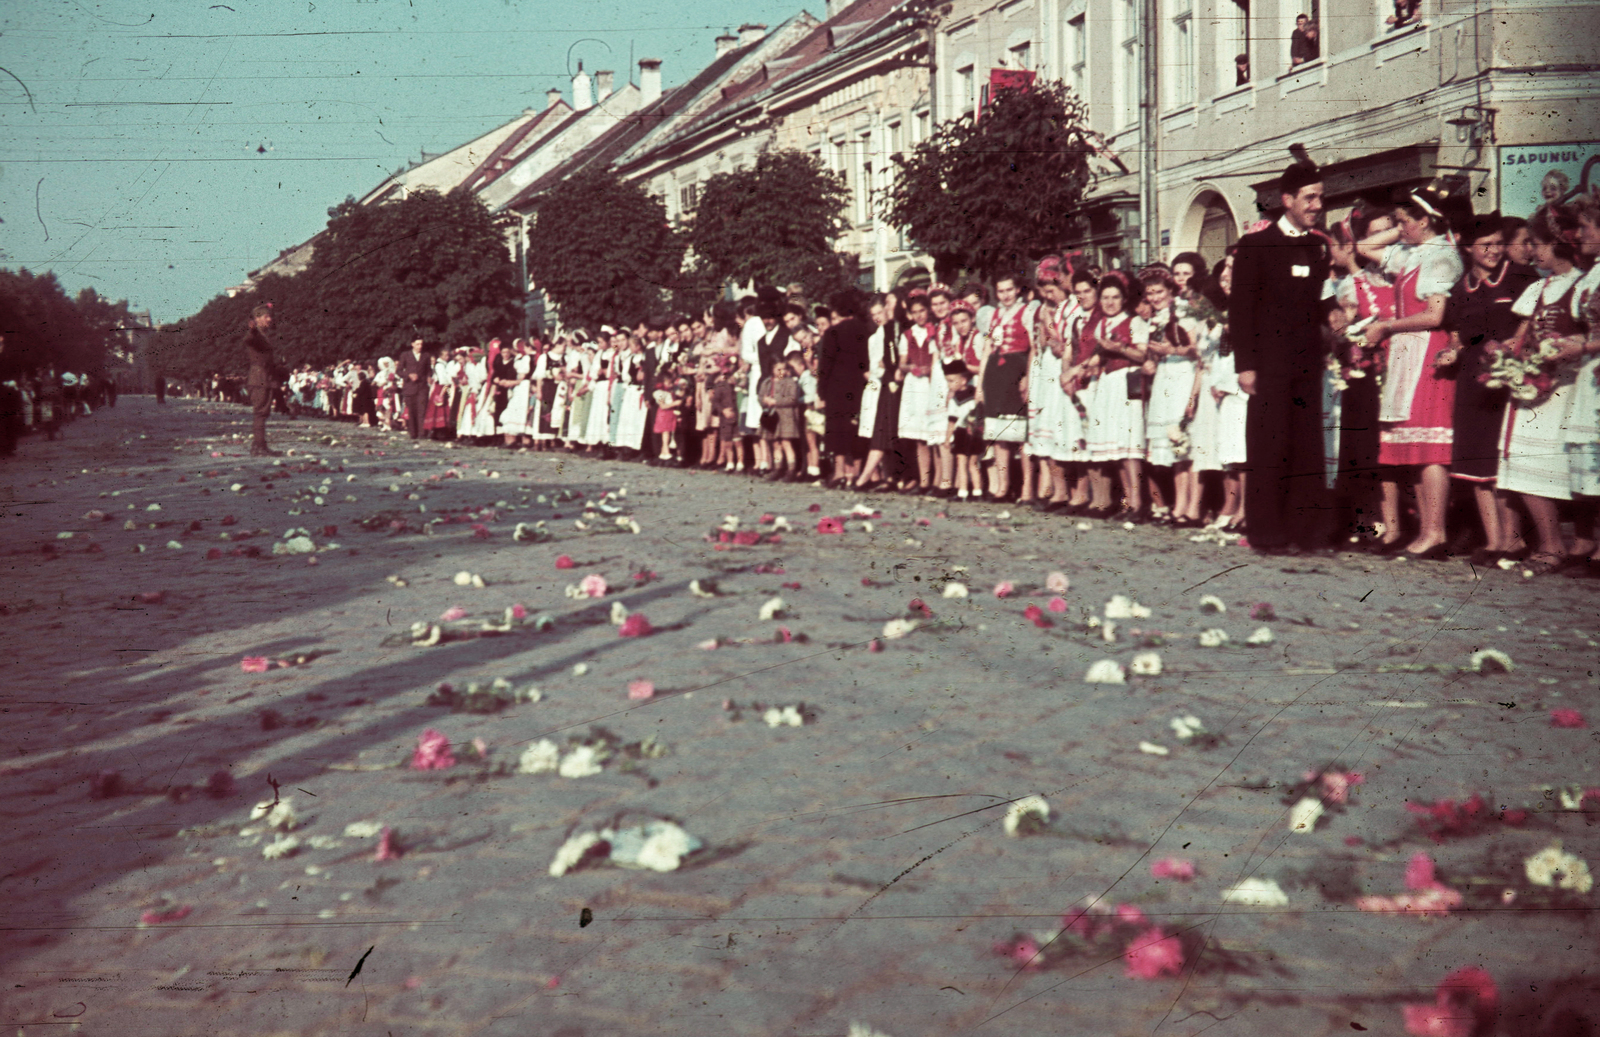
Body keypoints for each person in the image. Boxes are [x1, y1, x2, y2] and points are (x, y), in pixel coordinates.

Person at [1230, 162, 1332, 554]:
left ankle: (1304, 533)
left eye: (1320, 197)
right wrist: (1245, 366)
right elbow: (1241, 310)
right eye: (1310, 197)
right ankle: (1267, 533)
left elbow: (1322, 301)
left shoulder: (1317, 246)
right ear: (1288, 200)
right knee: (1270, 447)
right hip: (1268, 366)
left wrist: (1338, 317)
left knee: (1306, 447)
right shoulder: (1256, 245)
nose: (1317, 205)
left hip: (1307, 365)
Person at [1361, 183, 1466, 560]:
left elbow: (1435, 315)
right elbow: (1365, 247)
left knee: (1430, 447)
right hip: (1408, 352)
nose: (1399, 227)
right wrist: (1404, 224)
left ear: (1425, 221)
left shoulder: (1441, 256)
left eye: (1405, 220)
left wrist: (1387, 326)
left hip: (1428, 352)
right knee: (1414, 445)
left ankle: (1436, 531)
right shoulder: (1412, 252)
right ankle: (1425, 531)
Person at [1498, 204, 1590, 577]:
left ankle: (1579, 542)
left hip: (1568, 387)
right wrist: (1508, 352)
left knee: (1567, 467)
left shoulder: (1583, 286)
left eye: (1536, 244)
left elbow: (1590, 334)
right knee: (1526, 463)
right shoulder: (1538, 288)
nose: (1531, 251)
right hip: (1535, 389)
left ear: (1557, 243)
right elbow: (1521, 336)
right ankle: (1550, 543)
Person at [1445, 212, 1539, 563]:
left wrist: (1516, 342)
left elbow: (1532, 320)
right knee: (1476, 460)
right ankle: (1493, 540)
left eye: (1499, 243)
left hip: (1508, 377)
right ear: (1468, 248)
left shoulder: (1520, 277)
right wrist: (1451, 351)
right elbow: (1457, 335)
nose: (1494, 251)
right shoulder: (1460, 288)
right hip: (1472, 380)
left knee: (1501, 460)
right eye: (1486, 245)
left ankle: (1513, 541)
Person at [1078, 270, 1149, 518]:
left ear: (1124, 299)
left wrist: (1120, 348)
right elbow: (1098, 357)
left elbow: (1142, 354)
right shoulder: (1101, 324)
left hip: (1127, 382)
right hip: (1108, 384)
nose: (1110, 302)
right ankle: (1128, 502)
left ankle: (1138, 504)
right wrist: (1084, 367)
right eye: (1106, 297)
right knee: (1117, 447)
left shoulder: (1134, 322)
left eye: (1115, 297)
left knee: (1130, 446)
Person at [977, 274, 1040, 500]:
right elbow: (987, 350)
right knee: (999, 434)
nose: (1005, 295)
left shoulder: (1027, 312)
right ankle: (1003, 487)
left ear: (1017, 290)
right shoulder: (992, 315)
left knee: (1021, 435)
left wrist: (1028, 377)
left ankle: (1026, 488)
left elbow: (1033, 348)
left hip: (1016, 370)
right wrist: (980, 386)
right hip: (995, 375)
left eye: (1009, 290)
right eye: (1001, 291)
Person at [243, 303, 280, 456]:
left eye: (270, 316)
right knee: (260, 413)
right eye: (266, 316)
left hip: (265, 377)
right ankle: (258, 446)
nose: (270, 319)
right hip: (259, 377)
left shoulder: (265, 335)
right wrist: (252, 330)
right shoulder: (256, 334)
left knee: (263, 413)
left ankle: (259, 445)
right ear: (257, 319)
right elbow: (249, 340)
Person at [397, 338, 431, 439]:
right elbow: (399, 371)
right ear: (412, 344)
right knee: (411, 411)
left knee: (422, 410)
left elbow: (429, 370)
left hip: (422, 387)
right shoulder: (405, 355)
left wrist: (429, 377)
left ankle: (422, 433)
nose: (420, 346)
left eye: (421, 344)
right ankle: (413, 432)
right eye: (417, 344)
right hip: (409, 387)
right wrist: (408, 375)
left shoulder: (426, 355)